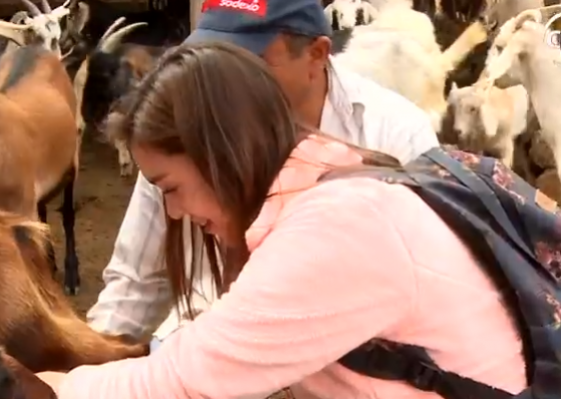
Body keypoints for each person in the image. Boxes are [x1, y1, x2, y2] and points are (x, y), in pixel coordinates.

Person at [37, 41, 524, 399]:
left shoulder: (336, 227)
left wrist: (50, 389)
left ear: (219, 154)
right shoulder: (330, 176)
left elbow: (191, 379)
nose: (174, 212)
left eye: (170, 188)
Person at [86, 0, 440, 349]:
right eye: (211, 60)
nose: (221, 81)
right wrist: (85, 360)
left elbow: (423, 289)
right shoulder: (187, 125)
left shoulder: (395, 133)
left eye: (248, 62)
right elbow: (135, 283)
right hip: (202, 349)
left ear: (316, 54)